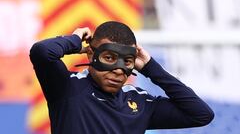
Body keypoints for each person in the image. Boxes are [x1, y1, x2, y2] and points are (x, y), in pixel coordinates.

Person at [30, 21, 214, 134]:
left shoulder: (141, 102)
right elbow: (42, 52)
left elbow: (201, 114)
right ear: (90, 55)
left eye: (127, 61)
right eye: (109, 58)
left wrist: (151, 68)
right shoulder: (67, 87)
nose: (118, 70)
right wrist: (75, 40)